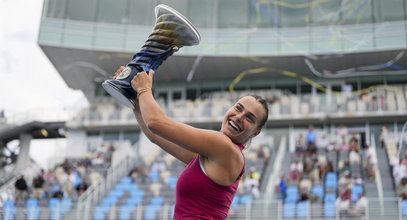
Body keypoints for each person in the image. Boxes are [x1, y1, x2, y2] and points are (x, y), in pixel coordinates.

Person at [113, 66, 269, 219]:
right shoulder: (213, 156)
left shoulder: (223, 146)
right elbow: (154, 135)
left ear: (255, 133)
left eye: (249, 118)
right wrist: (135, 97)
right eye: (238, 108)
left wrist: (144, 89)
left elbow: (155, 122)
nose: (239, 117)